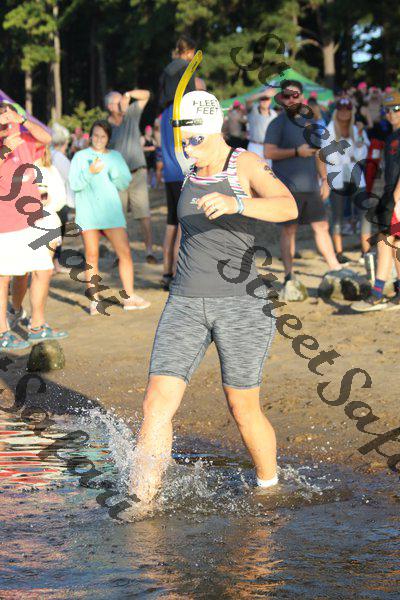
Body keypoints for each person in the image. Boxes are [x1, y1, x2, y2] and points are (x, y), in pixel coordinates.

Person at [129, 90, 297, 509]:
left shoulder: (244, 164)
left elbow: (288, 206)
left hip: (241, 304)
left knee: (242, 407)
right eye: (184, 140)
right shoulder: (189, 166)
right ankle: (142, 503)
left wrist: (236, 202)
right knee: (155, 403)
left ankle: (269, 488)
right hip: (184, 302)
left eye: (195, 140)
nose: (188, 148)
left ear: (214, 129)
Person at [0, 102, 68, 349]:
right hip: (5, 222)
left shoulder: (26, 138)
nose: (7, 121)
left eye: (10, 116)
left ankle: (37, 326)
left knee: (43, 269)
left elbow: (47, 138)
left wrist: (23, 119)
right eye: (3, 117)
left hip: (32, 219)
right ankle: (2, 332)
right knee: (3, 277)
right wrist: (5, 150)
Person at [264, 80, 342, 288]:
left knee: (322, 226)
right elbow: (268, 152)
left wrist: (324, 179)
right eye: (287, 96)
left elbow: (318, 154)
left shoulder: (310, 123)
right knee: (289, 230)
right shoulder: (277, 123)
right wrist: (296, 152)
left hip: (311, 186)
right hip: (287, 188)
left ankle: (335, 268)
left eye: (295, 95)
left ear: (302, 98)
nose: (291, 99)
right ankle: (289, 275)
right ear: (281, 99)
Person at [69, 120, 150, 315]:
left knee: (125, 253)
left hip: (111, 213)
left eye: (103, 136)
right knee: (91, 255)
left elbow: (123, 183)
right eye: (96, 135)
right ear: (90, 135)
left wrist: (115, 172)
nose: (98, 139)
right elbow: (74, 184)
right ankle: (94, 301)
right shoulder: (80, 156)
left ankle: (129, 297)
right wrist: (90, 172)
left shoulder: (115, 156)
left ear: (108, 139)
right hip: (88, 213)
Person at [159, 35, 206, 290]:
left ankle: (167, 273)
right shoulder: (184, 113)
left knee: (171, 224)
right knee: (184, 225)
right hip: (183, 172)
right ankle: (180, 276)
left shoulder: (164, 114)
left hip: (169, 173)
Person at [352, 91, 400, 312]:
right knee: (392, 242)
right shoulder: (391, 136)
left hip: (396, 196)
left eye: (396, 109)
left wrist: (397, 199)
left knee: (386, 241)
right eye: (387, 110)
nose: (391, 113)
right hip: (389, 194)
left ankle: (378, 293)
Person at [9, 145, 67, 324]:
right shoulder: (17, 168)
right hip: (23, 226)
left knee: (43, 273)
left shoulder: (50, 170)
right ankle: (16, 309)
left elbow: (61, 198)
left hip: (48, 224)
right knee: (21, 273)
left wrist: (49, 201)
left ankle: (37, 321)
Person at [105, 87, 157, 264]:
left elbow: (147, 95)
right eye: (118, 101)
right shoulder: (106, 126)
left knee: (144, 214)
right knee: (118, 218)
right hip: (118, 178)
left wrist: (128, 95)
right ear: (110, 106)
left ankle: (149, 251)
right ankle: (120, 255)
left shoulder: (131, 113)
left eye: (122, 100)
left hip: (138, 173)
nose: (123, 103)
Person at [323, 97, 370, 262]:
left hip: (354, 173)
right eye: (341, 109)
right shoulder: (329, 129)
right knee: (337, 214)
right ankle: (338, 252)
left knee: (364, 212)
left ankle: (366, 251)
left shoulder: (356, 129)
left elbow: (361, 155)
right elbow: (332, 158)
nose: (344, 112)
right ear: (336, 111)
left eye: (348, 109)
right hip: (336, 175)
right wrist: (350, 154)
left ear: (351, 111)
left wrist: (359, 137)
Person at [50, 122, 75, 273]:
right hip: (59, 200)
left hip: (50, 199)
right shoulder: (60, 157)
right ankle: (55, 263)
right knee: (58, 232)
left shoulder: (49, 154)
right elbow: (70, 177)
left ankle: (54, 263)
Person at [245, 89, 277, 163]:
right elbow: (247, 100)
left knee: (269, 169)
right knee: (253, 169)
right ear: (259, 100)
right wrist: (264, 93)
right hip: (255, 146)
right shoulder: (253, 110)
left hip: (269, 147)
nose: (264, 101)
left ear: (270, 101)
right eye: (262, 99)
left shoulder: (274, 114)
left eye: (267, 99)